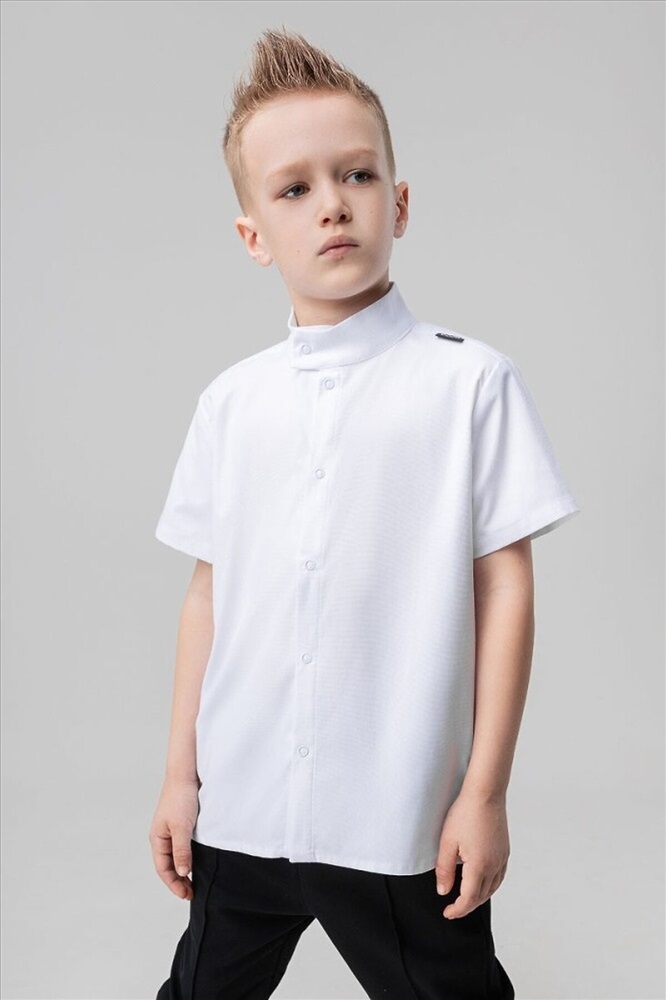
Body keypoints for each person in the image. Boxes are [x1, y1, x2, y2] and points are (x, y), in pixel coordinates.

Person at [149, 27, 580, 1000]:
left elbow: (505, 591)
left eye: (357, 174)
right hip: (244, 808)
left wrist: (483, 792)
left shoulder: (470, 385)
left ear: (401, 201)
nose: (333, 204)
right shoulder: (231, 403)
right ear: (253, 236)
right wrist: (180, 776)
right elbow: (207, 595)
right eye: (293, 188)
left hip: (396, 820)